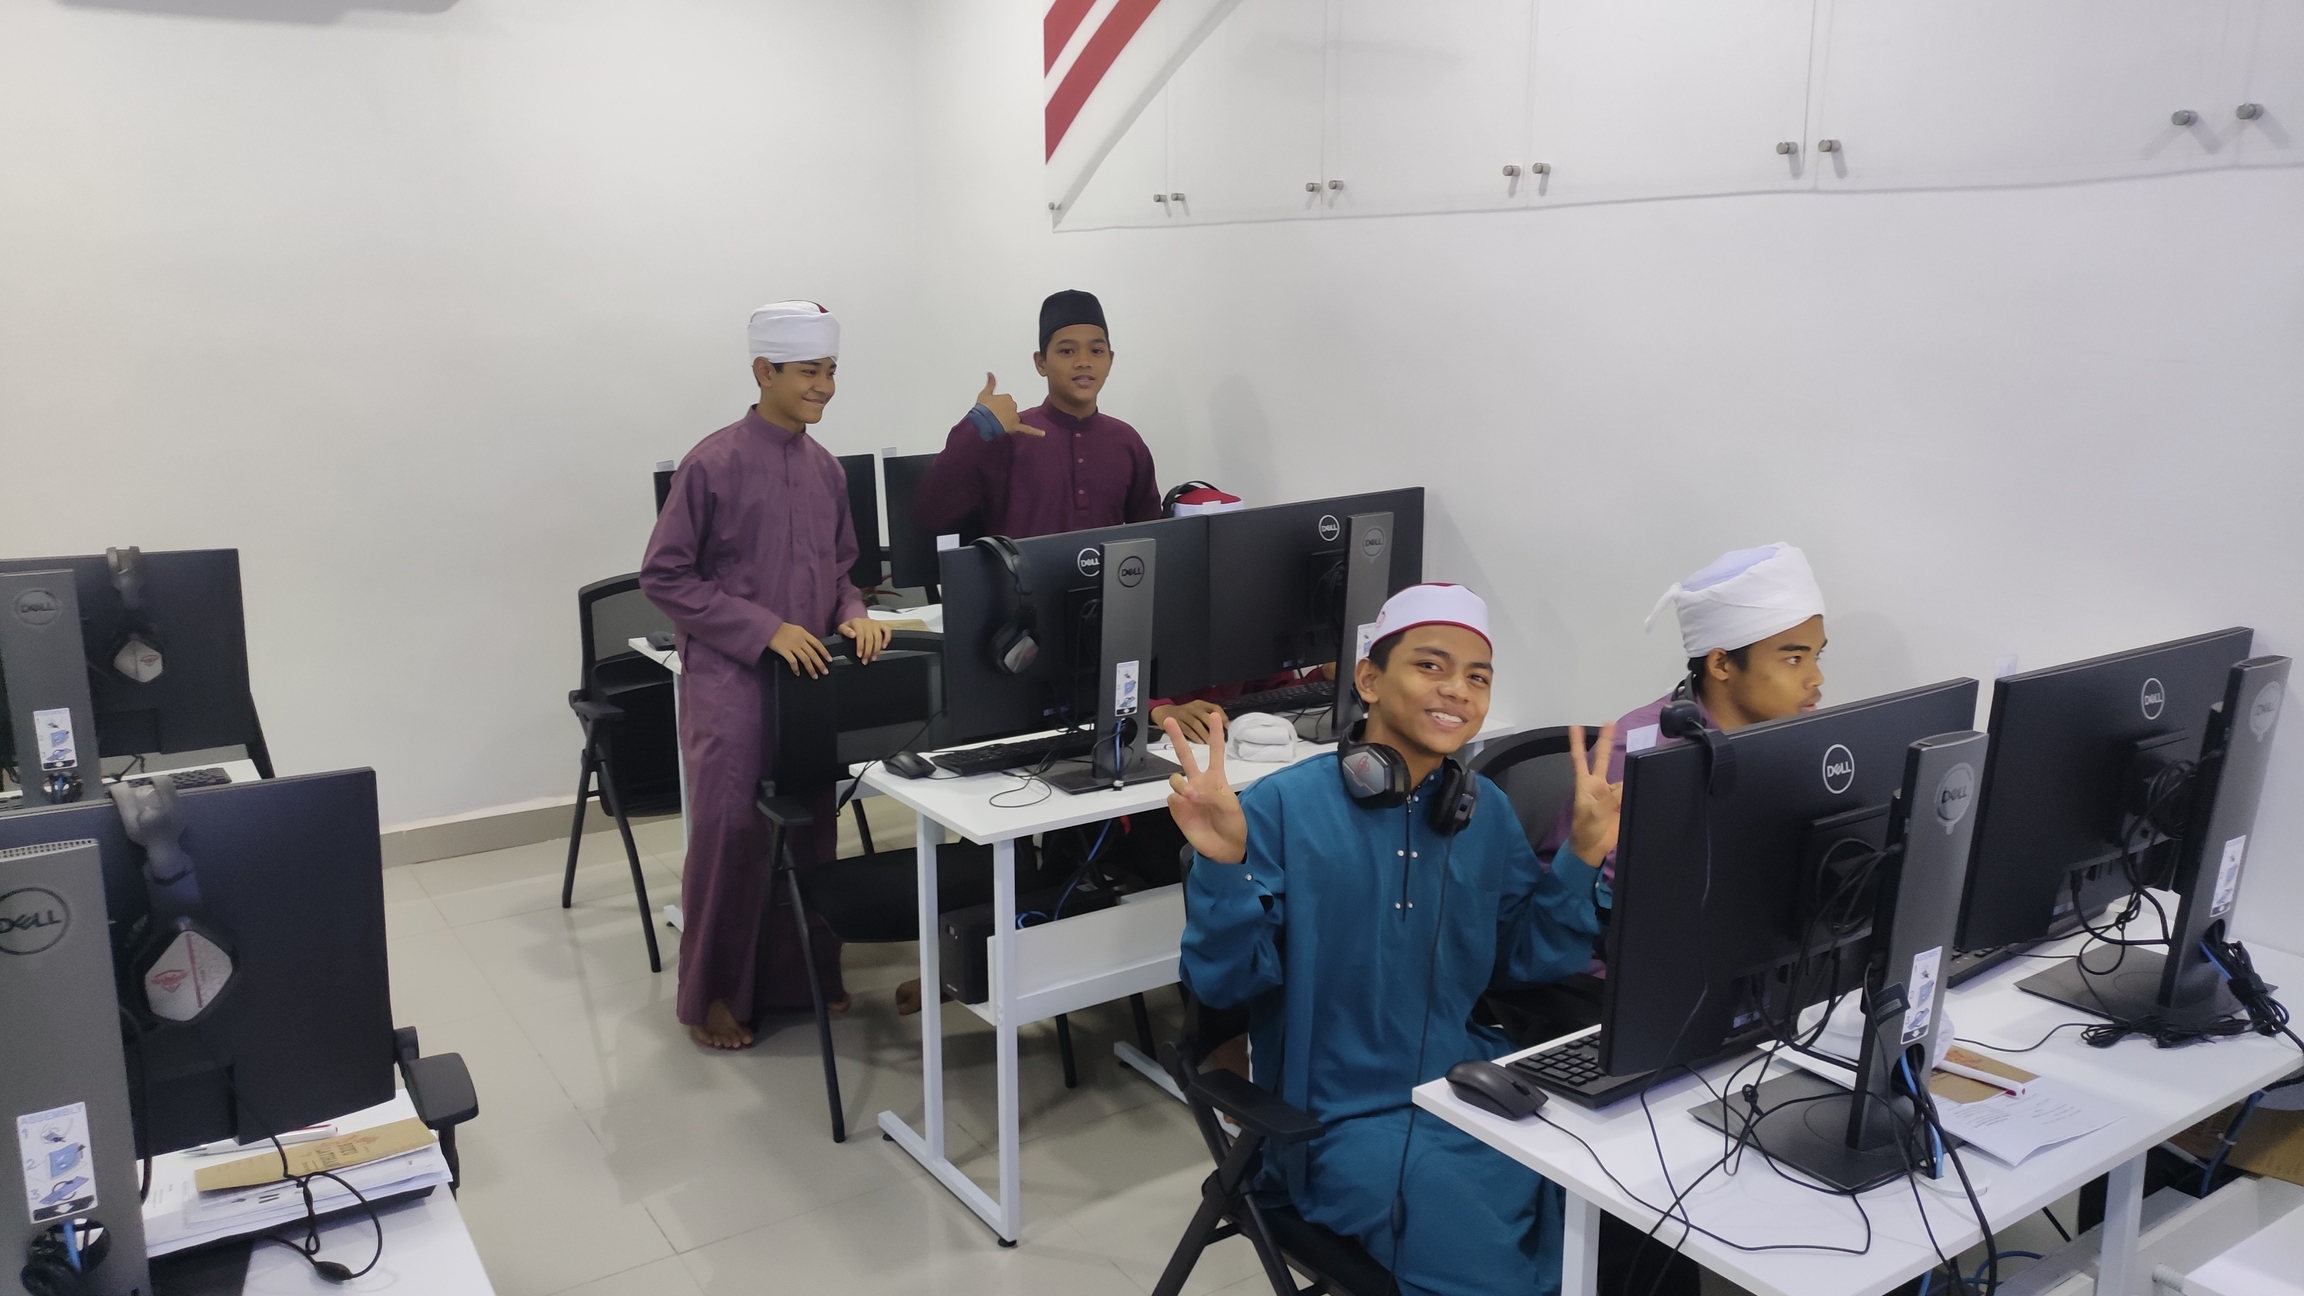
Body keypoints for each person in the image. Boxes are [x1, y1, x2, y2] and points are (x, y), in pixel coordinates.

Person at [1168, 583, 1622, 1296]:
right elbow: (1224, 984)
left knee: (1619, 1219)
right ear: (1370, 680)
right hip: (1335, 1124)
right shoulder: (1282, 807)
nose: (1458, 690)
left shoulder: (1483, 813)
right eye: (1431, 666)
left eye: (1477, 677)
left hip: (1468, 1086)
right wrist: (1222, 867)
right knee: (1497, 1273)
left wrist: (1582, 855)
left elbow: (1525, 958)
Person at [640, 301, 894, 1051]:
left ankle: (799, 976)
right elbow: (664, 576)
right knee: (732, 836)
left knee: (811, 826)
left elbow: (842, 571)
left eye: (831, 371)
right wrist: (764, 629)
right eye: (809, 372)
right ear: (764, 371)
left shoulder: (825, 470)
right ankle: (714, 996)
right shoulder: (712, 463)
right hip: (731, 687)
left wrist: (854, 613)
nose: (824, 387)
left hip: (808, 683)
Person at [1538, 541, 1828, 886]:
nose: (1816, 678)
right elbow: (1599, 899)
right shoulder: (1640, 752)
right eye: (1794, 659)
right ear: (1721, 664)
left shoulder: (1791, 739)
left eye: (1817, 657)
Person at [915, 289, 1161, 539]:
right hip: (1019, 566)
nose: (1084, 361)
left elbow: (1152, 535)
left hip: (1104, 567)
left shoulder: (1127, 442)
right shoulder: (1008, 437)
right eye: (1067, 351)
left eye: (1096, 351)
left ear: (1110, 360)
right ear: (1041, 363)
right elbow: (934, 511)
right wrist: (976, 427)